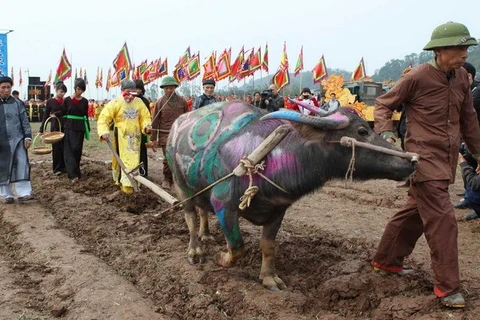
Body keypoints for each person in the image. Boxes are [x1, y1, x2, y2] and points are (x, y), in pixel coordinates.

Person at [371, 21, 480, 308]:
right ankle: (448, 287)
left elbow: (469, 120)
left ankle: (386, 261)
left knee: (414, 213)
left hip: (446, 161)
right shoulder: (417, 76)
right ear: (439, 50)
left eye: (466, 47)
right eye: (459, 47)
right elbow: (383, 104)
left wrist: (479, 154)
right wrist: (386, 134)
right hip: (421, 159)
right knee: (444, 221)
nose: (465, 53)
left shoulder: (461, 81)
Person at [98, 80, 152, 194]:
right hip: (121, 137)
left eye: (133, 93)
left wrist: (146, 127)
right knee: (124, 160)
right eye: (128, 93)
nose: (130, 97)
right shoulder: (116, 102)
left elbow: (145, 117)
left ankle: (135, 183)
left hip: (136, 138)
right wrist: (104, 131)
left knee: (136, 160)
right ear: (122, 91)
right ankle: (126, 185)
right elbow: (104, 118)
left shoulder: (139, 103)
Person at [0, 76, 34, 204]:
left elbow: (25, 121)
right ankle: (7, 194)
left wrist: (27, 136)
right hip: (1, 142)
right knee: (2, 166)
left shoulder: (17, 103)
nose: (6, 90)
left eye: (8, 87)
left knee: (21, 163)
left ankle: (24, 193)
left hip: (18, 140)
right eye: (3, 87)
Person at [152, 76, 188, 189]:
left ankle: (178, 180)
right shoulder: (159, 102)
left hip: (180, 135)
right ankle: (167, 179)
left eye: (171, 88)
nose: (169, 90)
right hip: (165, 136)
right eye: (166, 88)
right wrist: (153, 139)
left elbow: (188, 119)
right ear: (163, 89)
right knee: (168, 158)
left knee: (180, 158)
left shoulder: (182, 101)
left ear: (175, 88)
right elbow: (155, 122)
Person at [453, 62, 480, 209]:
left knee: (472, 166)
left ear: (468, 76)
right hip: (470, 137)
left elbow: (466, 115)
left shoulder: (476, 92)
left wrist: (462, 162)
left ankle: (473, 200)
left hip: (474, 137)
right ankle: (469, 197)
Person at [53, 78, 90, 183]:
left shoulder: (85, 101)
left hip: (80, 128)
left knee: (77, 150)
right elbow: (62, 111)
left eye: (82, 90)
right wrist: (55, 114)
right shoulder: (68, 100)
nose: (80, 92)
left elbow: (85, 115)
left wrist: (87, 127)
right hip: (69, 127)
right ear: (75, 88)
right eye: (78, 89)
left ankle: (76, 171)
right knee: (69, 150)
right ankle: (72, 174)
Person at [39, 82, 67, 176]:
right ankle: (56, 168)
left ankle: (64, 167)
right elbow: (46, 115)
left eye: (64, 92)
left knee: (64, 146)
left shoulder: (65, 101)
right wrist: (42, 127)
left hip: (64, 125)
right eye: (61, 91)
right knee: (56, 147)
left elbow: (65, 111)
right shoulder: (50, 101)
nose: (62, 94)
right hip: (55, 126)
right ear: (56, 90)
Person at [134, 79, 152, 177]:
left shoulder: (145, 101)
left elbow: (147, 116)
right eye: (135, 88)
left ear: (142, 90)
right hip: (131, 129)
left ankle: (143, 173)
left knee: (142, 150)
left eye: (139, 89)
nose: (137, 91)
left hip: (142, 129)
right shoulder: (130, 99)